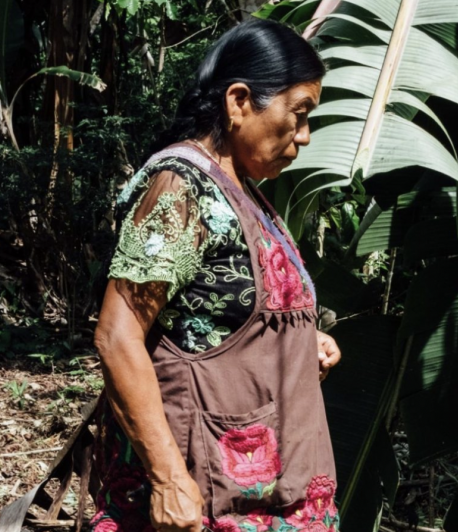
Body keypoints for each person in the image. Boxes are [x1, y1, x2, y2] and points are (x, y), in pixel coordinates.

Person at [92, 18, 342, 532]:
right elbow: (119, 336)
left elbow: (217, 313)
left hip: (274, 496)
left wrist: (299, 342)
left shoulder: (242, 191)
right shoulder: (181, 188)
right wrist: (165, 479)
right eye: (299, 114)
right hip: (205, 502)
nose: (306, 135)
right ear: (239, 101)